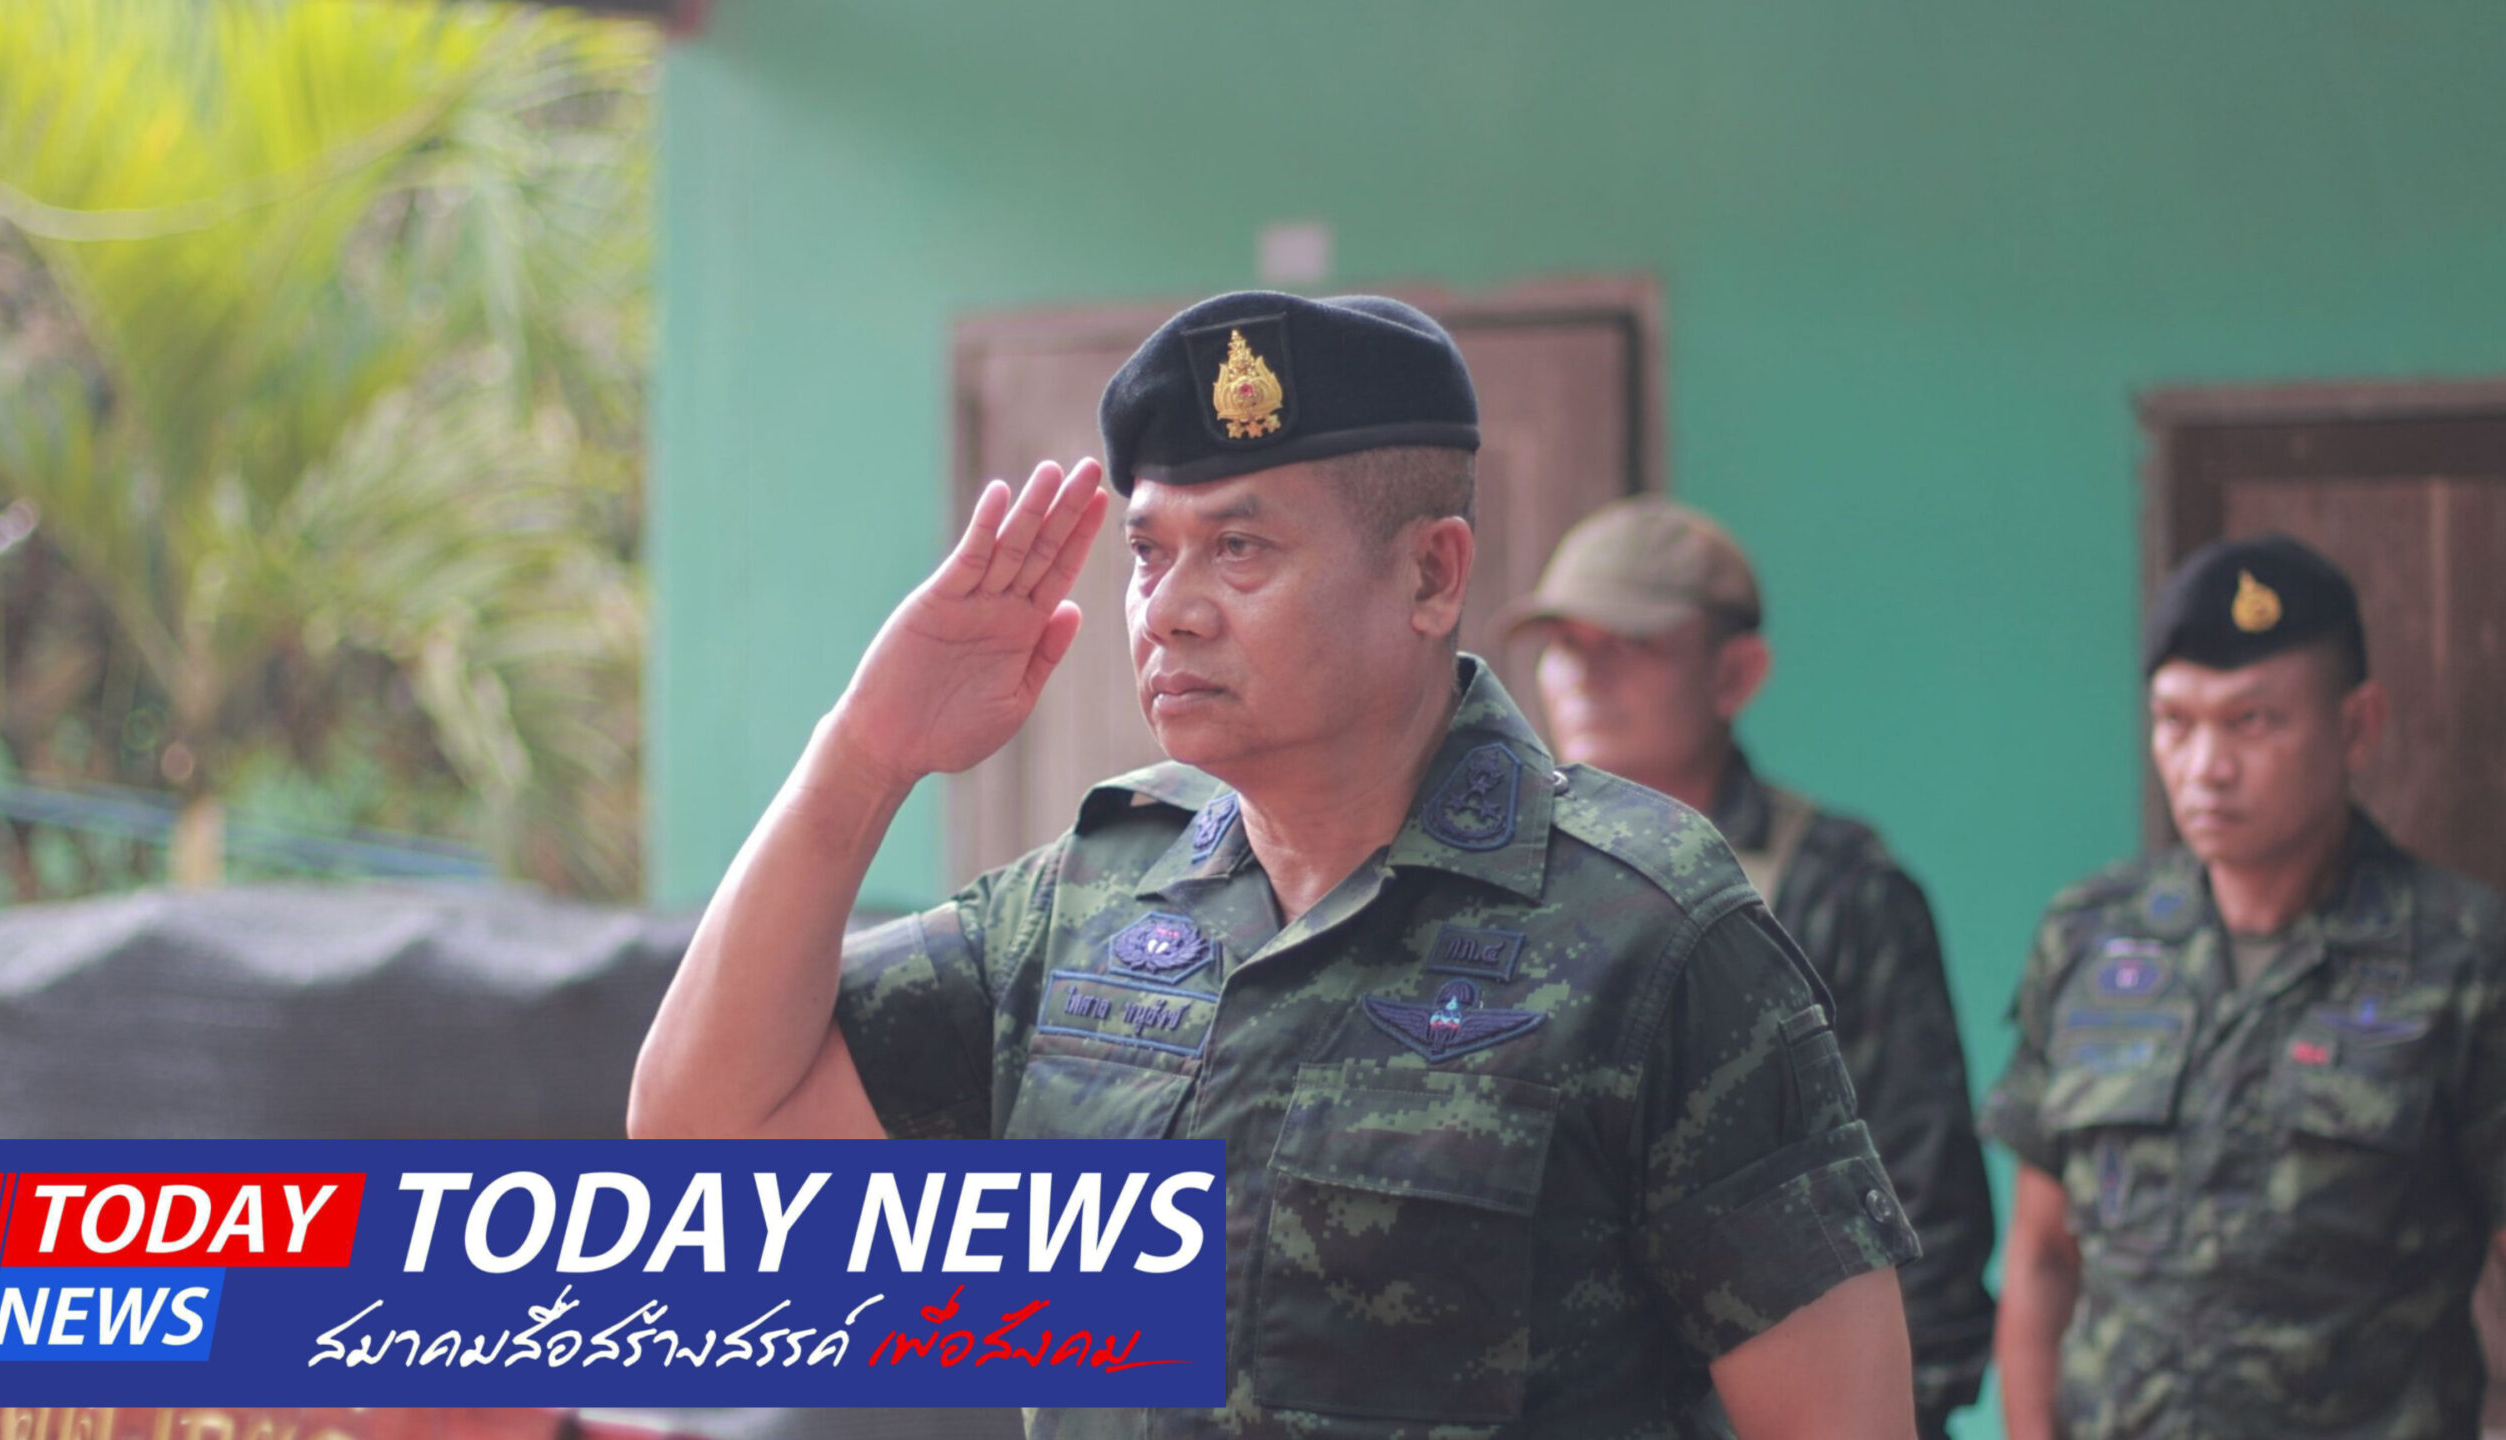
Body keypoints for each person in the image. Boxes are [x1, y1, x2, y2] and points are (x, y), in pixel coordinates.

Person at [629, 291, 1922, 1439]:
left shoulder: (1648, 931)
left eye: (1239, 549)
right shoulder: (1084, 907)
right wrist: (865, 756)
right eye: (1148, 552)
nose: (1169, 608)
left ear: (1430, 574)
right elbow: (706, 1137)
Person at [1981, 534, 2506, 1440]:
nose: (2205, 768)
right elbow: (2042, 1258)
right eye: (2175, 722)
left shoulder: (2463, 958)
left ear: (2357, 727)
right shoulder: (2092, 938)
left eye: (2252, 722)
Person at [1499, 497, 1997, 1439]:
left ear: (1734, 674)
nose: (1584, 675)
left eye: (1632, 644)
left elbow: (1924, 1206)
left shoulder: (1838, 890)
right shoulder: (1492, 881)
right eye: (1564, 643)